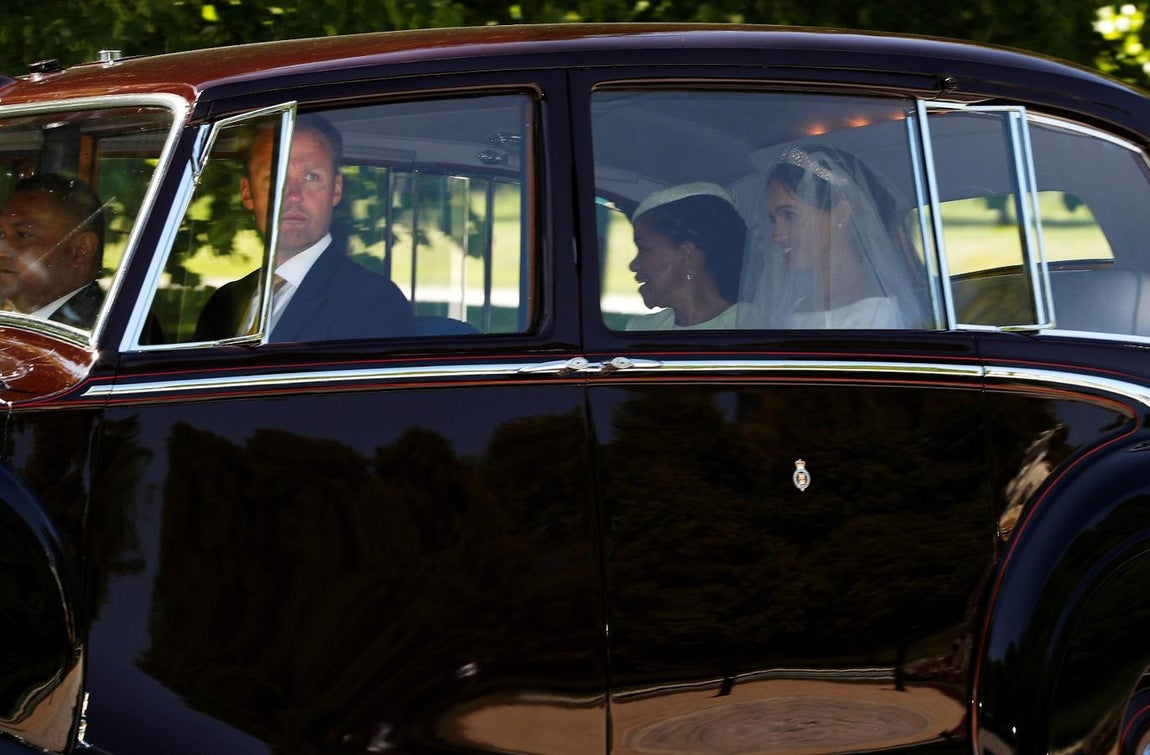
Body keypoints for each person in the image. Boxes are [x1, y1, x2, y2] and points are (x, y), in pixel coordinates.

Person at [194, 114, 413, 342]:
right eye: (275, 177)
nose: (294, 196)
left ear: (336, 189)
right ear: (247, 192)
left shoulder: (373, 302)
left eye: (311, 176)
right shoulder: (223, 304)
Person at [739, 145, 930, 329]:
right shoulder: (788, 307)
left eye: (789, 215)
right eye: (773, 219)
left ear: (840, 215)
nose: (776, 235)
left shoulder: (880, 311)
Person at [624, 182, 746, 330]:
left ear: (686, 255)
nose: (633, 265)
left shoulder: (753, 324)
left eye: (643, 248)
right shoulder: (640, 328)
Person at [0, 173, 107, 329]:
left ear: (81, 249)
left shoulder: (107, 334)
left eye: (23, 234)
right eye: (1, 234)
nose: (2, 249)